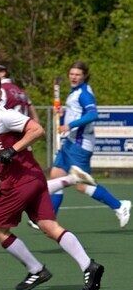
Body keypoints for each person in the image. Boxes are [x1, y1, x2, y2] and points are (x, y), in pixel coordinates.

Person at [0, 73, 104, 290]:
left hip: (20, 181)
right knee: (49, 227)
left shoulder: (6, 115)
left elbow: (37, 130)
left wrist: (12, 150)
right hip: (34, 177)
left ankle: (36, 269)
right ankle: (89, 266)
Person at [48, 61, 130, 227]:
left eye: (77, 74)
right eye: (71, 74)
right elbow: (73, 116)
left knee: (81, 185)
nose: (74, 77)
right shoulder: (74, 92)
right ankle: (49, 218)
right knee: (56, 176)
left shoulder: (84, 93)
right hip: (69, 142)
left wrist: (69, 125)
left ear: (84, 76)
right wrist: (63, 116)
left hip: (80, 144)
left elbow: (93, 114)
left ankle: (120, 206)